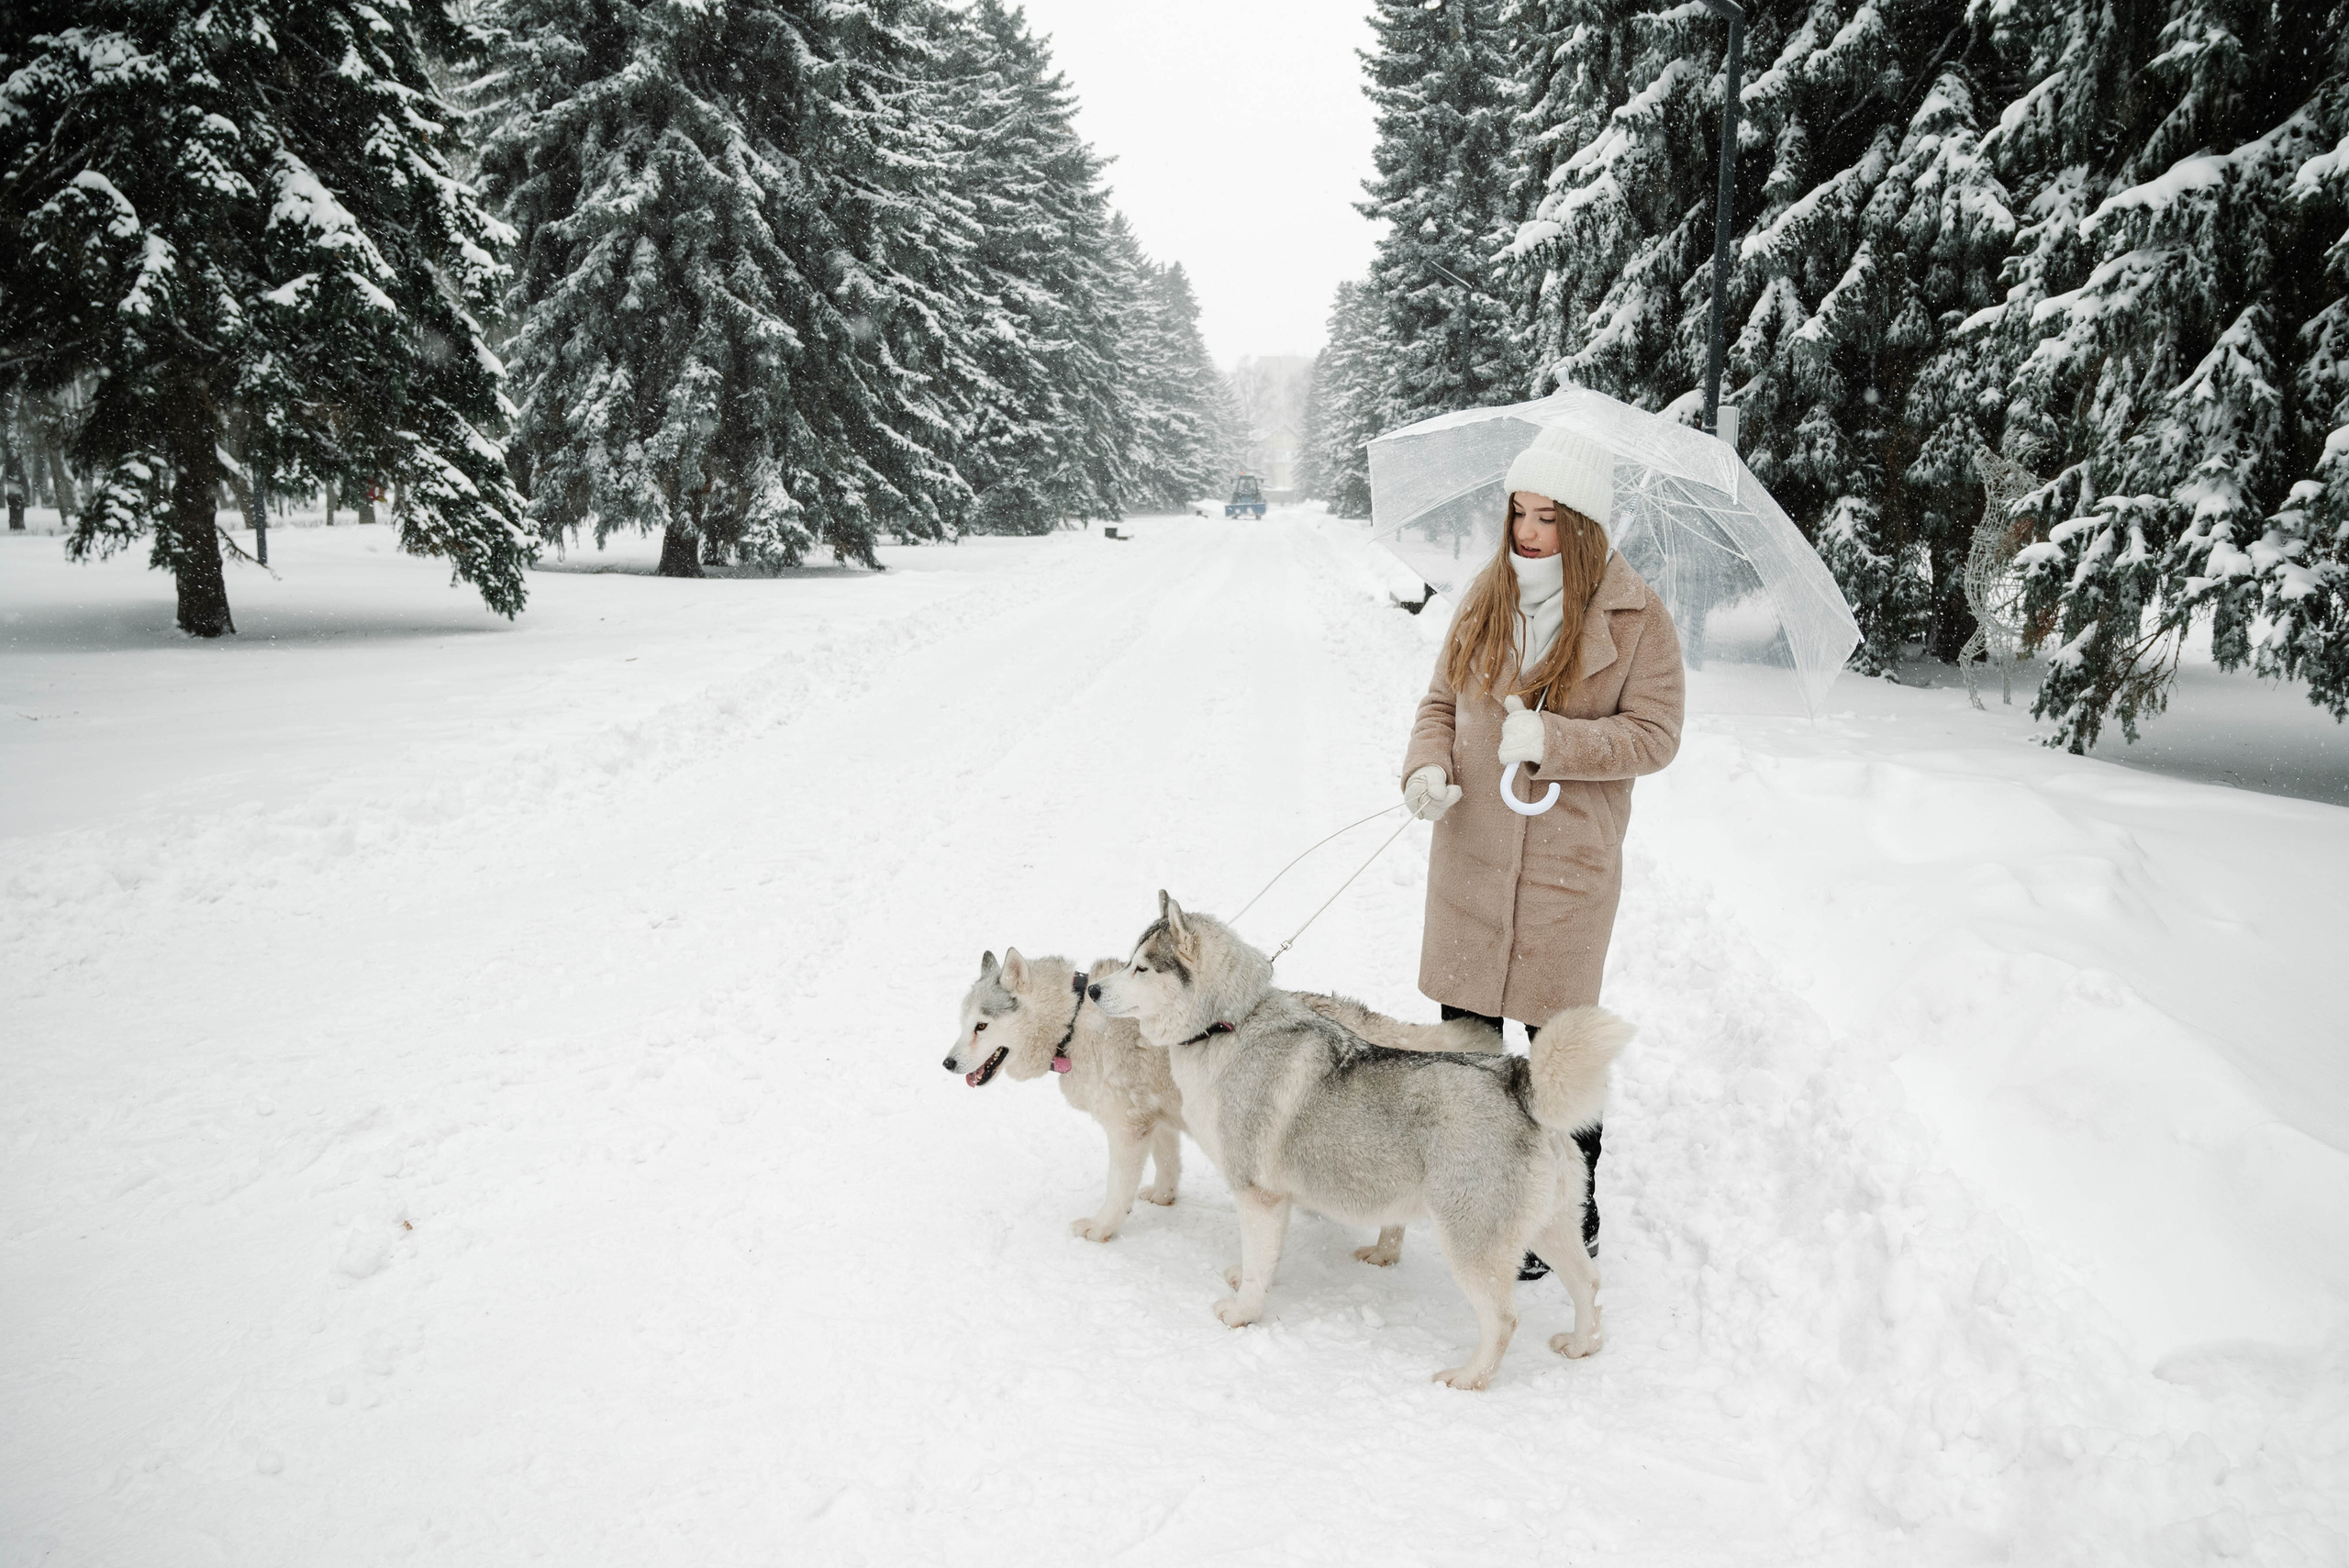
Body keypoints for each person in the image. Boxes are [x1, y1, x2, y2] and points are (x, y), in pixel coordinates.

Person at [1397, 424, 1684, 1275]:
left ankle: (1572, 1213)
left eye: (1547, 517)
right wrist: (1425, 767)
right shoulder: (1484, 594)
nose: (1526, 533)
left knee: (1559, 1055)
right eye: (1518, 513)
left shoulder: (1638, 617)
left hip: (1567, 870)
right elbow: (1441, 703)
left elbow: (1656, 735)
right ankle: (1491, 1207)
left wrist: (1554, 738)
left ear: (1586, 525)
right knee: (1467, 1049)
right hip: (1472, 857)